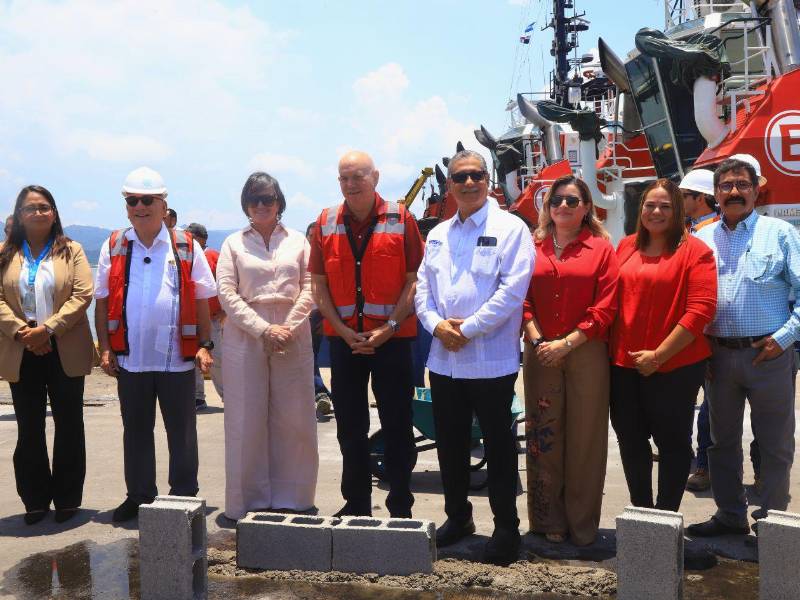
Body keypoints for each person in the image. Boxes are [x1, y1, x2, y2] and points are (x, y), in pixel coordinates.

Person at [415, 149, 535, 565]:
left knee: (500, 448)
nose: (468, 183)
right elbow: (422, 290)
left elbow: (512, 292)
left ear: (488, 181)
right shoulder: (437, 234)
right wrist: (437, 326)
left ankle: (506, 528)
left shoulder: (511, 229)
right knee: (449, 445)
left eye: (476, 176)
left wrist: (465, 329)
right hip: (444, 361)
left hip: (490, 361)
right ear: (449, 185)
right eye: (460, 177)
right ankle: (458, 517)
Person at [94, 167, 216, 522]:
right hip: (130, 360)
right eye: (132, 200)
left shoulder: (185, 246)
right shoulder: (114, 244)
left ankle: (183, 496)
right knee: (135, 432)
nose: (140, 206)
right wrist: (104, 347)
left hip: (176, 359)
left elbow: (203, 300)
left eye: (148, 200)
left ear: (164, 205)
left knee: (182, 431)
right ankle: (139, 496)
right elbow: (102, 300)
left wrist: (205, 345)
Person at [689, 155, 800, 537]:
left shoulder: (781, 234)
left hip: (769, 355)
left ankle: (773, 523)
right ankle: (730, 515)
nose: (734, 192)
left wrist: (784, 338)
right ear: (715, 193)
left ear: (756, 190)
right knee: (721, 443)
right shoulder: (701, 240)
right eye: (726, 186)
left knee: (775, 443)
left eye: (742, 185)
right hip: (717, 357)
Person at [310, 150, 423, 519]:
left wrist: (387, 328)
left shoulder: (401, 218)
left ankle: (401, 506)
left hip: (392, 342)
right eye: (344, 178)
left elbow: (414, 281)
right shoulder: (325, 222)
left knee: (398, 425)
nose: (351, 184)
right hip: (345, 345)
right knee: (350, 428)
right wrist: (343, 331)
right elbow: (319, 286)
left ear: (375, 176)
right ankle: (356, 503)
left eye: (358, 176)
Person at [609, 178, 717, 513]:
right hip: (624, 365)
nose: (656, 212)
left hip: (675, 366)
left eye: (665, 206)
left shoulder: (696, 251)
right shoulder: (625, 247)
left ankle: (666, 515)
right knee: (630, 440)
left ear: (679, 210)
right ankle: (642, 512)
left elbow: (701, 309)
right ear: (640, 210)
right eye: (650, 205)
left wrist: (659, 355)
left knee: (673, 444)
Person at [522, 175, 619, 545]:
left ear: (586, 208)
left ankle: (582, 525)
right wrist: (538, 339)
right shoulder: (533, 247)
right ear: (548, 207)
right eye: (557, 200)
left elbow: (607, 303)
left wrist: (570, 342)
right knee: (543, 435)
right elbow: (521, 297)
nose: (563, 206)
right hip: (540, 348)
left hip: (586, 349)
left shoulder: (601, 248)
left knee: (585, 438)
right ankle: (548, 521)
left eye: (572, 200)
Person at [216, 172, 318, 520]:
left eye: (269, 198)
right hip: (246, 333)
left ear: (280, 202)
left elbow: (311, 286)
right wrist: (263, 329)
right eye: (255, 199)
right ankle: (248, 499)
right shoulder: (232, 244)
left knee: (296, 415)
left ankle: (295, 495)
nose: (262, 205)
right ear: (246, 203)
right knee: (246, 416)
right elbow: (227, 293)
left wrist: (288, 326)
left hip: (294, 327)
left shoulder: (299, 241)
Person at [0, 185, 95, 525]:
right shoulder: (4, 254)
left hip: (63, 347)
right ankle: (35, 500)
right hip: (21, 348)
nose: (38, 212)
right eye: (30, 208)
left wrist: (48, 329)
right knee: (29, 427)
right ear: (19, 214)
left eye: (44, 207)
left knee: (70, 424)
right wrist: (24, 333)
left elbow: (83, 293)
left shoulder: (73, 250)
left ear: (54, 213)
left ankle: (68, 498)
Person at [680, 168, 718, 492]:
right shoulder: (694, 230)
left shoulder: (708, 235)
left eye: (684, 196)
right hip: (694, 332)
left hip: (704, 333)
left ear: (700, 198)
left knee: (709, 408)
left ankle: (704, 466)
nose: (680, 202)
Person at [185, 222, 224, 409]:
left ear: (200, 238)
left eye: (190, 237)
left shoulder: (214, 256)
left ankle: (229, 396)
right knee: (192, 359)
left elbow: (228, 285)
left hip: (213, 317)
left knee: (217, 359)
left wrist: (225, 312)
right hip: (190, 319)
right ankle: (197, 397)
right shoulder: (185, 257)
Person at [305, 221, 332, 416]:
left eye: (317, 236)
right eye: (311, 236)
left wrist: (326, 319)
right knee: (309, 358)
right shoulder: (297, 258)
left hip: (324, 316)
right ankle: (321, 393)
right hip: (304, 317)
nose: (314, 240)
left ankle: (323, 393)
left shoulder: (330, 259)